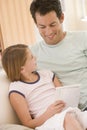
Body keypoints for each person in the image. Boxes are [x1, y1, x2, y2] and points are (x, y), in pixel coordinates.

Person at [1, 44, 87, 130]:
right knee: (67, 118)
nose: (35, 58)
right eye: (31, 57)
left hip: (69, 112)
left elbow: (63, 93)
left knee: (73, 116)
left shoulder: (47, 74)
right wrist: (49, 112)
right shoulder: (17, 90)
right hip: (48, 121)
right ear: (21, 69)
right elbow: (28, 124)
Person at [30, 0, 87, 111]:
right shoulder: (31, 54)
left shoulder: (82, 39)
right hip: (64, 112)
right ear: (36, 24)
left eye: (52, 24)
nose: (48, 31)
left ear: (61, 18)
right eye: (42, 27)